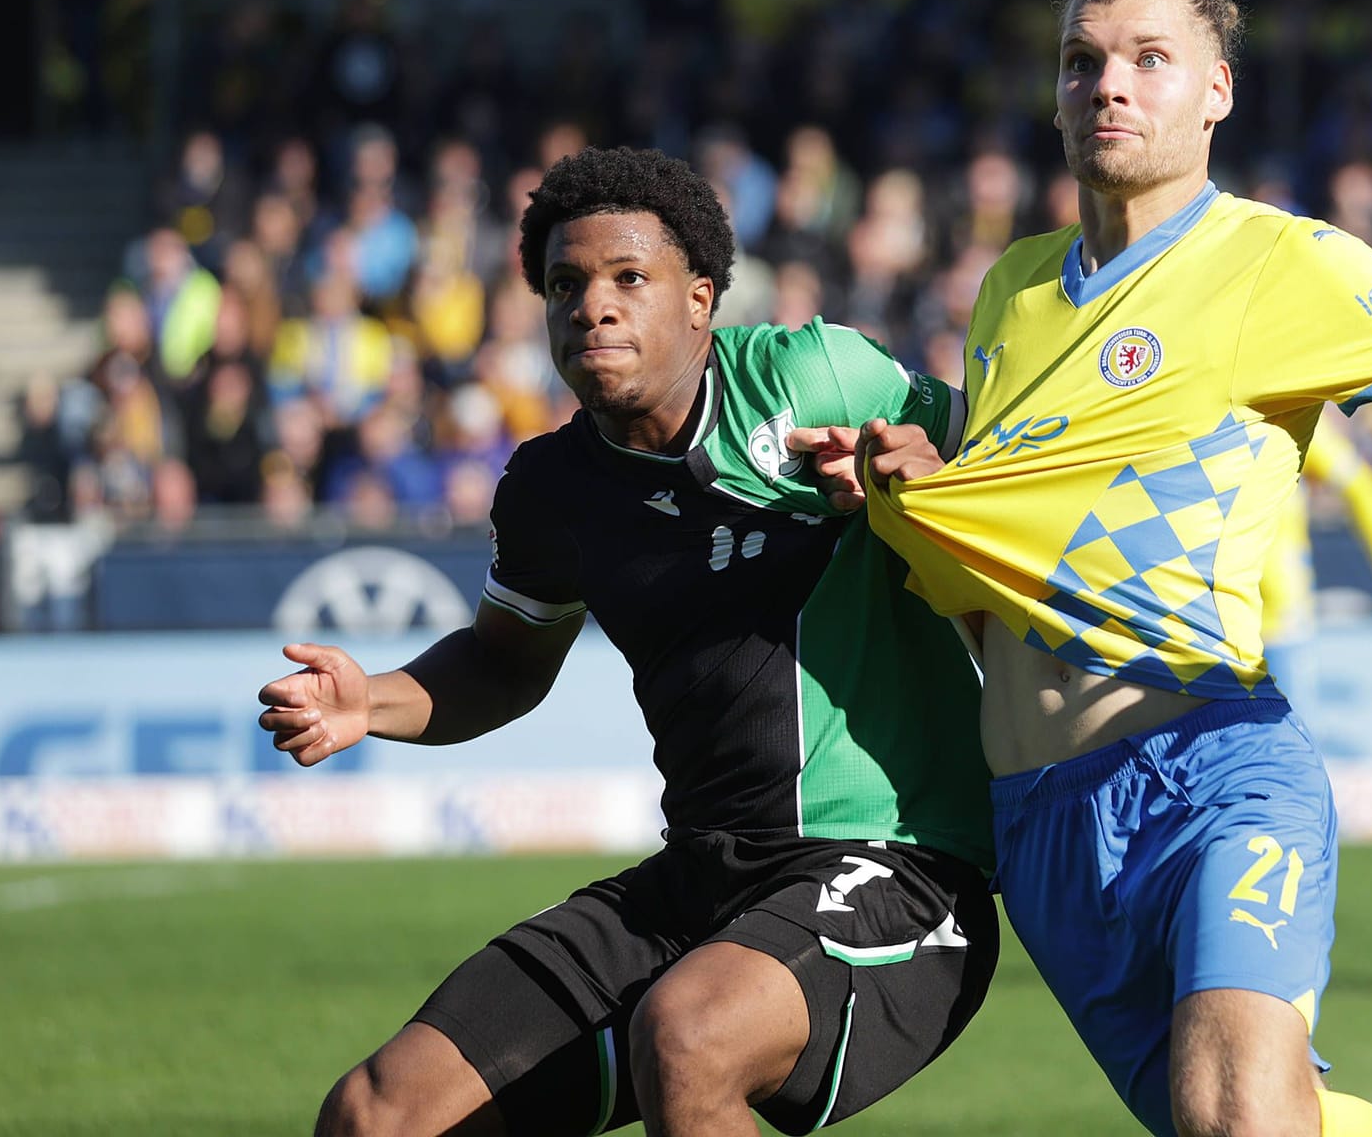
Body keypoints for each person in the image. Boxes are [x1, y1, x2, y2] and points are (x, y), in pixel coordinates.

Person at [790, 0, 1372, 1137]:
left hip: (1211, 762)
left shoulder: (1287, 264)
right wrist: (902, 492)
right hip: (1041, 821)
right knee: (1262, 1119)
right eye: (1082, 61)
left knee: (1241, 1118)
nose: (1109, 85)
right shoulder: (1012, 289)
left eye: (1151, 59)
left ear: (1217, 89)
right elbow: (1000, 554)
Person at [256, 147, 997, 1137]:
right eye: (566, 284)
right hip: (702, 879)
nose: (591, 306)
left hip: (898, 865)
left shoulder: (814, 375)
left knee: (688, 1038)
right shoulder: (552, 492)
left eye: (626, 279)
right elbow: (501, 664)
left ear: (700, 300)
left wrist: (922, 485)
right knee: (379, 1112)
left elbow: (1000, 471)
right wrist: (371, 699)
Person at [1260, 412, 1372, 708]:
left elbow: (1361, 486)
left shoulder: (1277, 413)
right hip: (1208, 624)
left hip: (1278, 624)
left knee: (1284, 746)